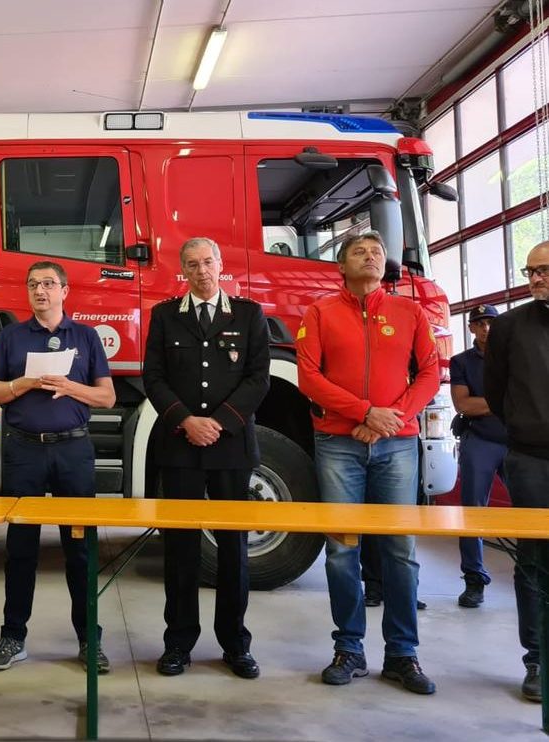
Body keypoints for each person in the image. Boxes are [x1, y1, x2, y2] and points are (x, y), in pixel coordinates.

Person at [296, 231, 440, 695]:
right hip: (339, 444)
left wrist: (389, 420)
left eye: (377, 251)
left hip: (397, 444)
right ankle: (350, 649)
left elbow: (431, 372)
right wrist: (363, 413)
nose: (371, 256)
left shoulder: (410, 311)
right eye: (359, 251)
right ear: (340, 266)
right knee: (342, 550)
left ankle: (402, 654)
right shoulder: (319, 312)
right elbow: (309, 377)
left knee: (400, 549)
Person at [142, 236, 270, 680]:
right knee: (180, 549)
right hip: (180, 447)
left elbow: (259, 379)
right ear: (183, 270)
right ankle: (178, 643)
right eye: (192, 264)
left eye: (208, 262)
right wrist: (186, 421)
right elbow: (152, 377)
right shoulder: (163, 317)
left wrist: (219, 423)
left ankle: (235, 644)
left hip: (231, 447)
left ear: (221, 264)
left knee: (234, 549)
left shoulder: (249, 315)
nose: (201, 271)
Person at [0, 261, 116, 674]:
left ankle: (88, 639)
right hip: (25, 452)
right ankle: (13, 637)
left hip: (73, 453)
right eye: (33, 285)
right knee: (20, 549)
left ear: (64, 291)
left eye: (48, 284)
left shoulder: (86, 336)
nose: (40, 291)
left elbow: (106, 398)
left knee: (79, 549)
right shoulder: (12, 336)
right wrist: (23, 384)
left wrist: (68, 387)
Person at [484, 240, 549, 703]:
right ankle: (538, 660)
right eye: (530, 272)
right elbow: (495, 389)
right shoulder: (508, 327)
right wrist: (526, 428)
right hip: (531, 459)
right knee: (533, 562)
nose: (536, 279)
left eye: (543, 270)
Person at [449, 303, 507, 609]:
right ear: (471, 328)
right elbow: (464, 406)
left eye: (491, 322)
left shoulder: (515, 357)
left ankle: (536, 575)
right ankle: (474, 580)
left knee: (535, 509)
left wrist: (484, 401)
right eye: (480, 323)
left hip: (519, 441)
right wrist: (506, 400)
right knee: (472, 513)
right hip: (480, 440)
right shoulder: (460, 362)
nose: (486, 328)